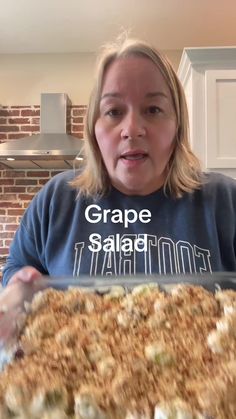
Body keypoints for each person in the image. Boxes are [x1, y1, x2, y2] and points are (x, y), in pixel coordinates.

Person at [2, 36, 236, 289]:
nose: (132, 129)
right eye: (114, 111)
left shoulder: (225, 200)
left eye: (153, 109)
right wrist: (18, 286)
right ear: (93, 128)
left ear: (178, 124)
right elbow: (16, 268)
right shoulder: (56, 200)